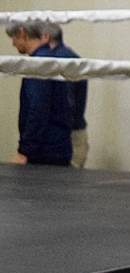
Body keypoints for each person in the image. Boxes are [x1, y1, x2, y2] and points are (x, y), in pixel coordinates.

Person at [5, 20, 73, 166]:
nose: (13, 43)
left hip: (44, 151)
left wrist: (25, 150)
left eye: (14, 37)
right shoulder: (50, 59)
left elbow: (38, 109)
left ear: (22, 33)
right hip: (56, 145)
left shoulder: (38, 64)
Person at [44, 22, 89, 168]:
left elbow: (66, 102)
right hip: (76, 131)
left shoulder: (57, 61)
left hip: (67, 135)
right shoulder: (73, 57)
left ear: (45, 37)